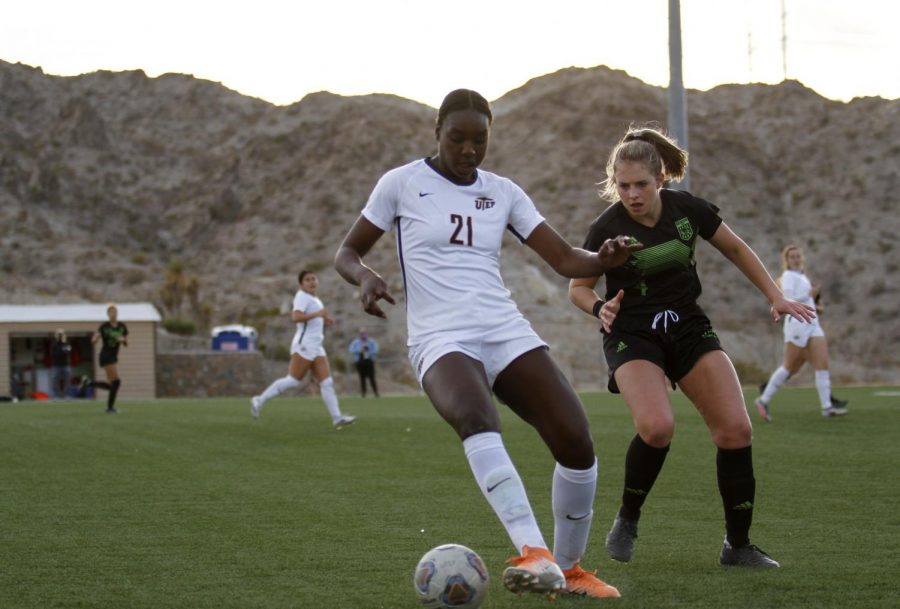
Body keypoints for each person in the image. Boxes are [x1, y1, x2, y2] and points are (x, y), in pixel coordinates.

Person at [334, 89, 641, 599]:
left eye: (480, 140)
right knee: (478, 417)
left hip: (503, 327)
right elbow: (347, 251)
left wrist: (603, 259)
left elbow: (566, 259)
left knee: (576, 439)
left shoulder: (503, 192)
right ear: (437, 132)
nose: (469, 150)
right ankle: (532, 552)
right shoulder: (402, 184)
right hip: (439, 335)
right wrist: (364, 276)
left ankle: (567, 570)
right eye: (458, 138)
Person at [568, 126, 816, 569]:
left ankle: (737, 545)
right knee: (658, 427)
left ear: (660, 178)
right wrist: (599, 308)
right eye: (623, 186)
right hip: (633, 332)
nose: (633, 195)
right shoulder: (606, 227)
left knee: (736, 431)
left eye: (641, 184)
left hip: (686, 326)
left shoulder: (687, 211)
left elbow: (737, 250)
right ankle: (627, 517)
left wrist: (774, 296)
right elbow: (578, 286)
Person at [250, 270, 356, 429]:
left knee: (327, 382)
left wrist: (323, 318)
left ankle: (337, 418)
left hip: (316, 345)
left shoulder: (314, 298)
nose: (312, 282)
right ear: (301, 284)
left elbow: (312, 316)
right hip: (304, 344)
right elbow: (296, 317)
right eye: (307, 280)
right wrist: (318, 314)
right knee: (293, 380)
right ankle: (260, 399)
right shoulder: (301, 296)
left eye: (314, 278)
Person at [755, 245, 848, 420]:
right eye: (792, 257)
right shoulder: (788, 276)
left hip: (812, 324)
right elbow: (787, 300)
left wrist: (816, 306)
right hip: (796, 324)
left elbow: (807, 301)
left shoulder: (802, 276)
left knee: (823, 364)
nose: (796, 259)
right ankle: (763, 400)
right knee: (790, 367)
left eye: (798, 256)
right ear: (787, 261)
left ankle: (827, 407)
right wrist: (809, 295)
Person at [81, 304, 128, 413]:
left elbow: (125, 342)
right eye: (111, 312)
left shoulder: (122, 326)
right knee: (116, 382)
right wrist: (95, 338)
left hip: (113, 356)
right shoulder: (104, 326)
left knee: (111, 385)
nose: (114, 314)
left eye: (115, 311)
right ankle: (110, 408)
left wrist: (123, 340)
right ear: (108, 314)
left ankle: (88, 383)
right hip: (106, 355)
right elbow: (94, 338)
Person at [348, 329, 380, 397]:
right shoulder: (356, 342)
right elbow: (351, 350)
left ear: (367, 334)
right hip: (360, 361)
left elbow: (376, 349)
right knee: (362, 378)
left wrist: (368, 351)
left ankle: (376, 393)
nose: (363, 335)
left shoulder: (371, 342)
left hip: (369, 361)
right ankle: (363, 393)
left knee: (371, 377)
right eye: (362, 334)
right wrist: (359, 350)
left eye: (364, 333)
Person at [50, 329, 72, 399]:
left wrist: (61, 352)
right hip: (56, 366)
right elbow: (53, 354)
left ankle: (66, 395)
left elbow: (68, 352)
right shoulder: (54, 344)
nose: (60, 336)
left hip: (65, 365)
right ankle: (56, 395)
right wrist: (62, 351)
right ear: (56, 336)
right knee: (55, 381)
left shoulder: (66, 344)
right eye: (59, 334)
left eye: (61, 334)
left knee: (67, 380)